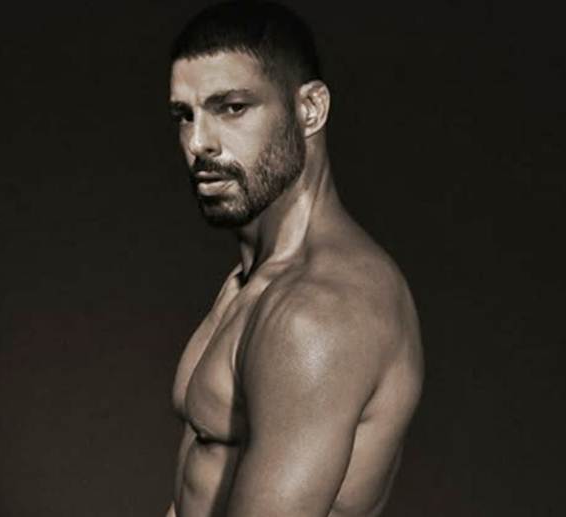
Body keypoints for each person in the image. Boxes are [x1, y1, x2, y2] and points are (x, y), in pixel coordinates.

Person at [166, 2, 423, 516]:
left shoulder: (317, 313)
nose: (198, 142)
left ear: (310, 109)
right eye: (185, 115)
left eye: (231, 107)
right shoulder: (253, 280)